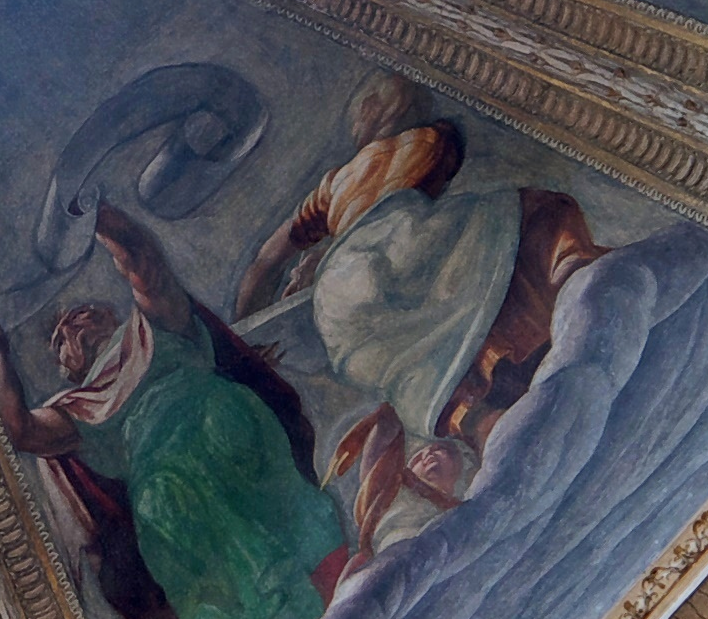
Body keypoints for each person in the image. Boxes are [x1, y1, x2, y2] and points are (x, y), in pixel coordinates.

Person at [0, 205, 346, 619]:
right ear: (67, 365)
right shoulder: (77, 407)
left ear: (112, 317)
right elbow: (19, 429)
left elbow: (144, 261)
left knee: (276, 503)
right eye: (59, 338)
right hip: (161, 486)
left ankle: (337, 579)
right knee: (194, 576)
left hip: (214, 417)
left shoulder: (152, 328)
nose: (71, 326)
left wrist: (95, 213)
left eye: (85, 314)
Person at [233, 77, 612, 553]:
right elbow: (417, 191)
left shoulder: (333, 184)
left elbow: (266, 261)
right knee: (542, 214)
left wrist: (242, 337)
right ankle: (580, 278)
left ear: (369, 115)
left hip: (340, 301)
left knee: (432, 377)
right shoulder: (431, 139)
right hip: (403, 246)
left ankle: (486, 433)